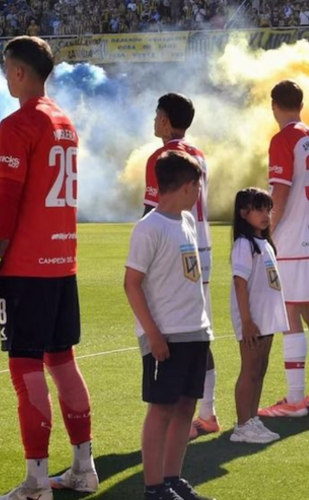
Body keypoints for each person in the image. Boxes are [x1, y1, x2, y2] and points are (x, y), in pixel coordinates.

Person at [0, 36, 98, 500]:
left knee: (25, 367)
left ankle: (37, 482)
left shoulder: (17, 124)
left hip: (28, 266)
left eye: (4, 69)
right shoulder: (64, 121)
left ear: (17, 73)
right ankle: (83, 467)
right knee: (63, 361)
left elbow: (9, 199)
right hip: (62, 263)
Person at [125, 150, 214, 500]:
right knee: (161, 410)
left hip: (195, 331)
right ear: (189, 186)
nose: (199, 194)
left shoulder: (187, 221)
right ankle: (153, 487)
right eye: (198, 186)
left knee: (187, 407)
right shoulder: (149, 228)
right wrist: (153, 334)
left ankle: (173, 479)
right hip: (166, 335)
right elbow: (131, 283)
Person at [142, 93, 220, 441]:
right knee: (199, 331)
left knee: (171, 331)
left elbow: (152, 213)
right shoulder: (199, 153)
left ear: (165, 120)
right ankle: (208, 412)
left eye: (157, 115)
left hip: (174, 251)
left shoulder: (162, 158)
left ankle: (176, 415)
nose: (154, 121)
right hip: (201, 247)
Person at [259, 80, 309, 417]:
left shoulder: (284, 138)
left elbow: (280, 191)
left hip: (293, 239)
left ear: (274, 105)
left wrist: (266, 229)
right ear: (301, 105)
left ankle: (294, 400)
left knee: (290, 312)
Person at [229, 188, 287, 443]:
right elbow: (240, 283)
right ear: (244, 213)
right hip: (253, 318)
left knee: (260, 369)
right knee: (250, 369)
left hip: (266, 317)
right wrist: (247, 320)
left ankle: (252, 418)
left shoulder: (265, 243)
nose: (266, 215)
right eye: (259, 209)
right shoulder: (244, 244)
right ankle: (242, 425)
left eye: (268, 210)